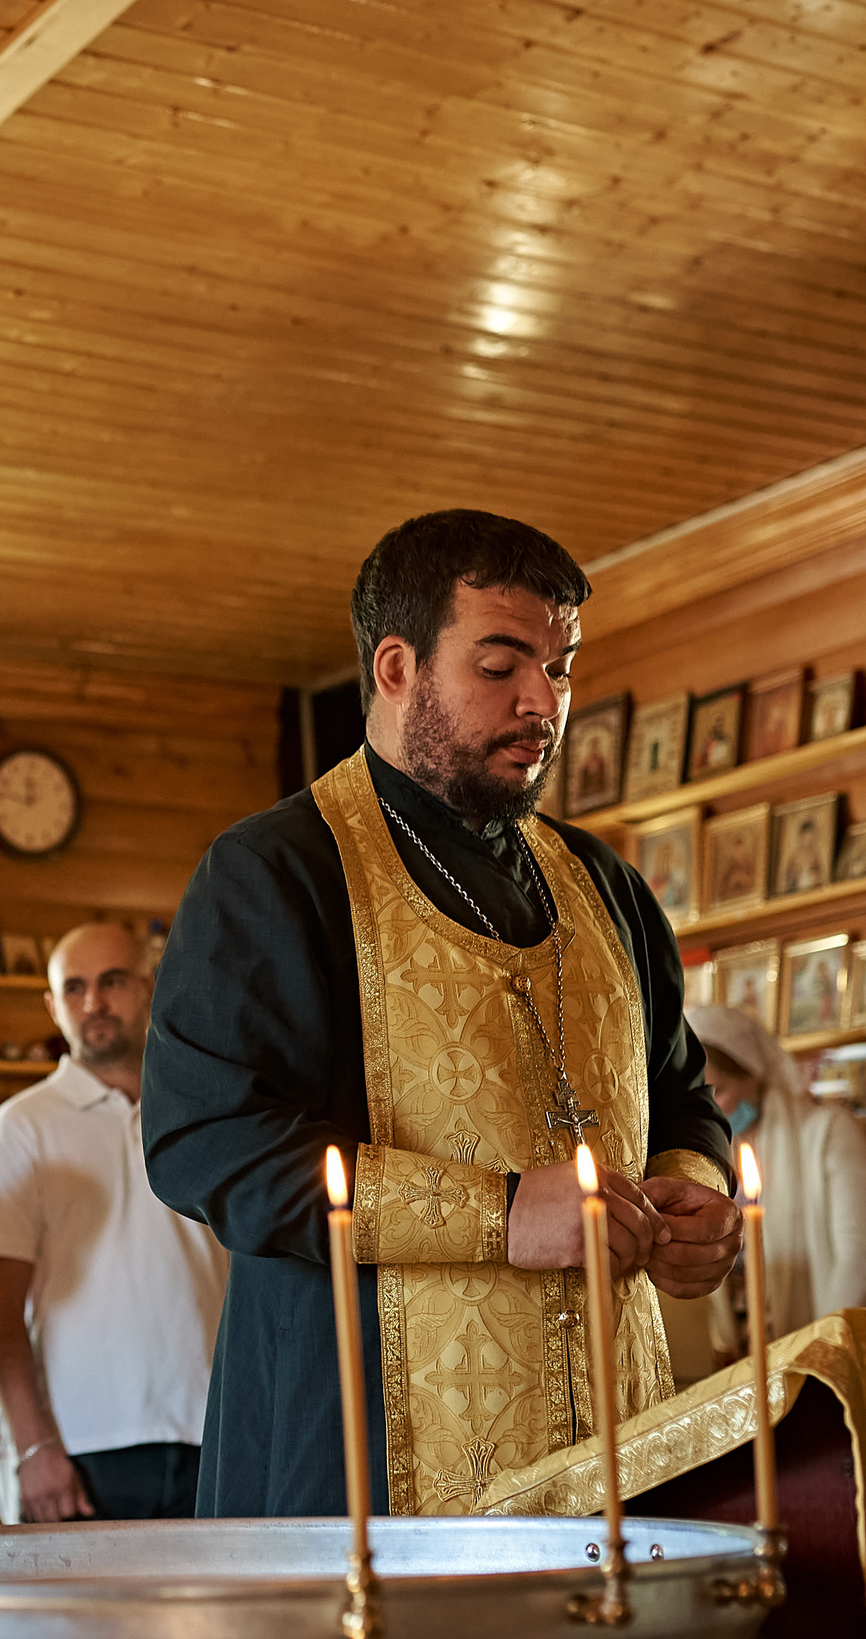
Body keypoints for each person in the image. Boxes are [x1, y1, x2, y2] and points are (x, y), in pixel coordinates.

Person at [144, 509, 740, 1520]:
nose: (543, 702)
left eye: (560, 667)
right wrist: (500, 1214)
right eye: (500, 665)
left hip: (618, 1437)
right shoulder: (277, 870)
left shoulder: (604, 882)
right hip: (361, 1444)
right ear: (395, 667)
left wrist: (692, 1194)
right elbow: (208, 1142)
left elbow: (680, 1095)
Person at [0, 923, 229, 1523]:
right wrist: (34, 1447)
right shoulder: (20, 1127)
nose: (94, 1003)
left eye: (112, 981)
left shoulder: (210, 1109)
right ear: (52, 1006)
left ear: (149, 986)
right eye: (74, 988)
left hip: (213, 1428)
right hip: (81, 1444)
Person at [690, 1006, 866, 1345]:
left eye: (719, 1091)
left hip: (833, 1341)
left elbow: (861, 1258)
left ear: (753, 1075)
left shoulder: (828, 1133)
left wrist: (816, 1347)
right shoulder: (710, 1159)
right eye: (698, 1097)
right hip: (747, 1350)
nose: (710, 1111)